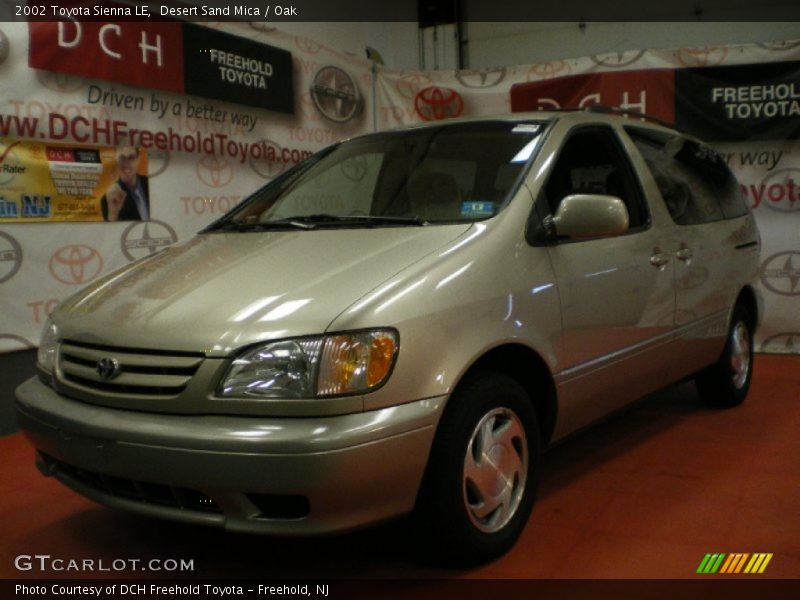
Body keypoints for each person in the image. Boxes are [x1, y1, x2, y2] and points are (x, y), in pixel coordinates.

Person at [101, 146, 150, 221]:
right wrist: (113, 213)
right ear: (116, 161)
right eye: (122, 158)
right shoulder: (108, 199)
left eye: (131, 158)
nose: (126, 164)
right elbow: (111, 231)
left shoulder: (152, 183)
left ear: (138, 159)